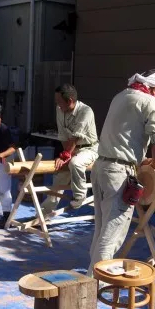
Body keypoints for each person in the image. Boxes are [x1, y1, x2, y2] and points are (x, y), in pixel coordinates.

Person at [87, 68, 155, 276]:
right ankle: (94, 284)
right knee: (112, 232)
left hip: (101, 167)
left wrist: (143, 158)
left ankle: (91, 275)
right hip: (119, 173)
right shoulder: (149, 101)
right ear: (154, 89)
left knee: (101, 229)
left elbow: (124, 137)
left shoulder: (121, 96)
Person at [41, 84, 99, 214]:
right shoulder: (59, 110)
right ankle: (44, 214)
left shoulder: (86, 111)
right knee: (58, 181)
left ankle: (79, 195)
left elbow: (75, 137)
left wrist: (65, 156)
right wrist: (66, 154)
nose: (58, 104)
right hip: (71, 149)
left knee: (76, 163)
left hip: (89, 148)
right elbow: (62, 136)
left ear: (70, 100)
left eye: (60, 101)